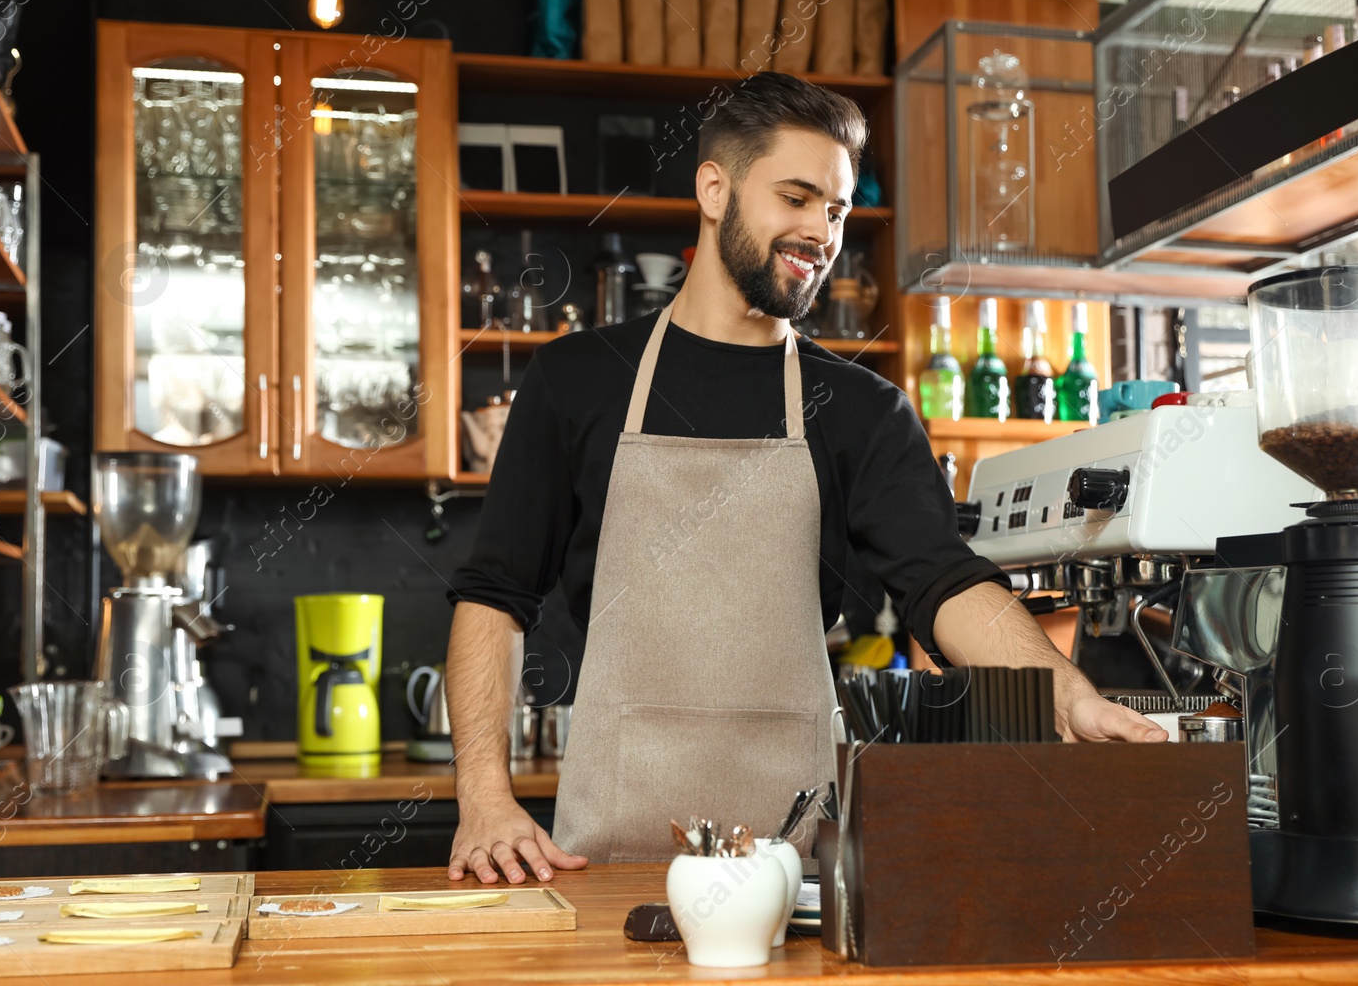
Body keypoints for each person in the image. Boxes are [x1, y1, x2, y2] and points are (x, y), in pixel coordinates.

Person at [443, 72, 1166, 887]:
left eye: (836, 209)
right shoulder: (578, 380)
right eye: (796, 196)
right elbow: (495, 595)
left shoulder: (861, 408)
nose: (821, 229)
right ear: (714, 189)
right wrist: (484, 798)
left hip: (798, 866)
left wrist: (1066, 695)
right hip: (609, 857)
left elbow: (945, 582)